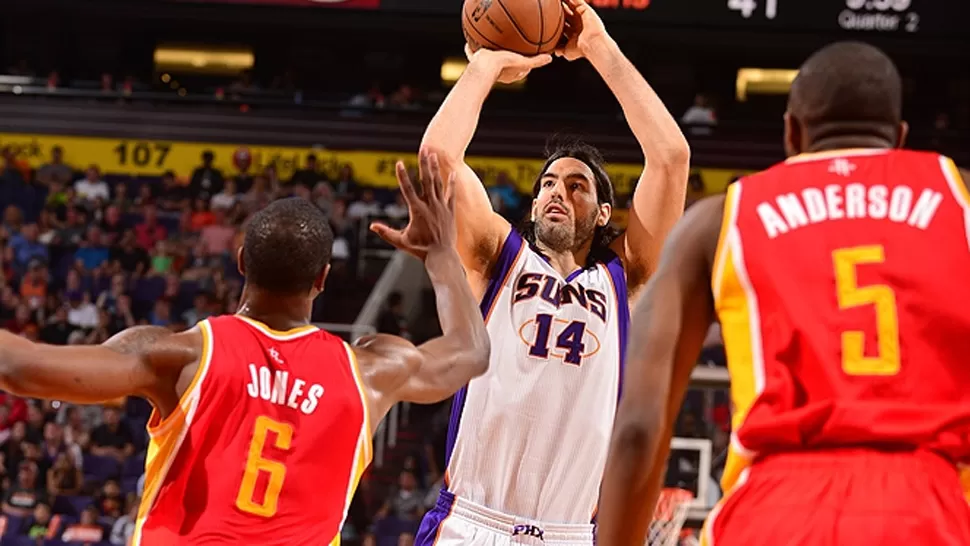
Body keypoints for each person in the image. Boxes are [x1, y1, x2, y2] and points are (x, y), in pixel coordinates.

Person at [0, 151, 491, 545]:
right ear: (322, 279)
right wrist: (443, 256)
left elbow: (21, 368)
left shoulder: (178, 356)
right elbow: (470, 352)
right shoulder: (370, 371)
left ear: (240, 262)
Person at [597, 41, 970, 546]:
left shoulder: (718, 220)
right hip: (929, 507)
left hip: (772, 511)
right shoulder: (958, 202)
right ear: (898, 138)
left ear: (792, 132)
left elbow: (639, 427)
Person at [415, 0, 689, 544]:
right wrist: (487, 64)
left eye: (576, 185)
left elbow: (672, 157)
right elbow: (437, 159)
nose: (556, 192)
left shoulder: (627, 282)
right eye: (546, 184)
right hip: (470, 522)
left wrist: (597, 47)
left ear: (604, 214)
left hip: (569, 532)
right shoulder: (498, 256)